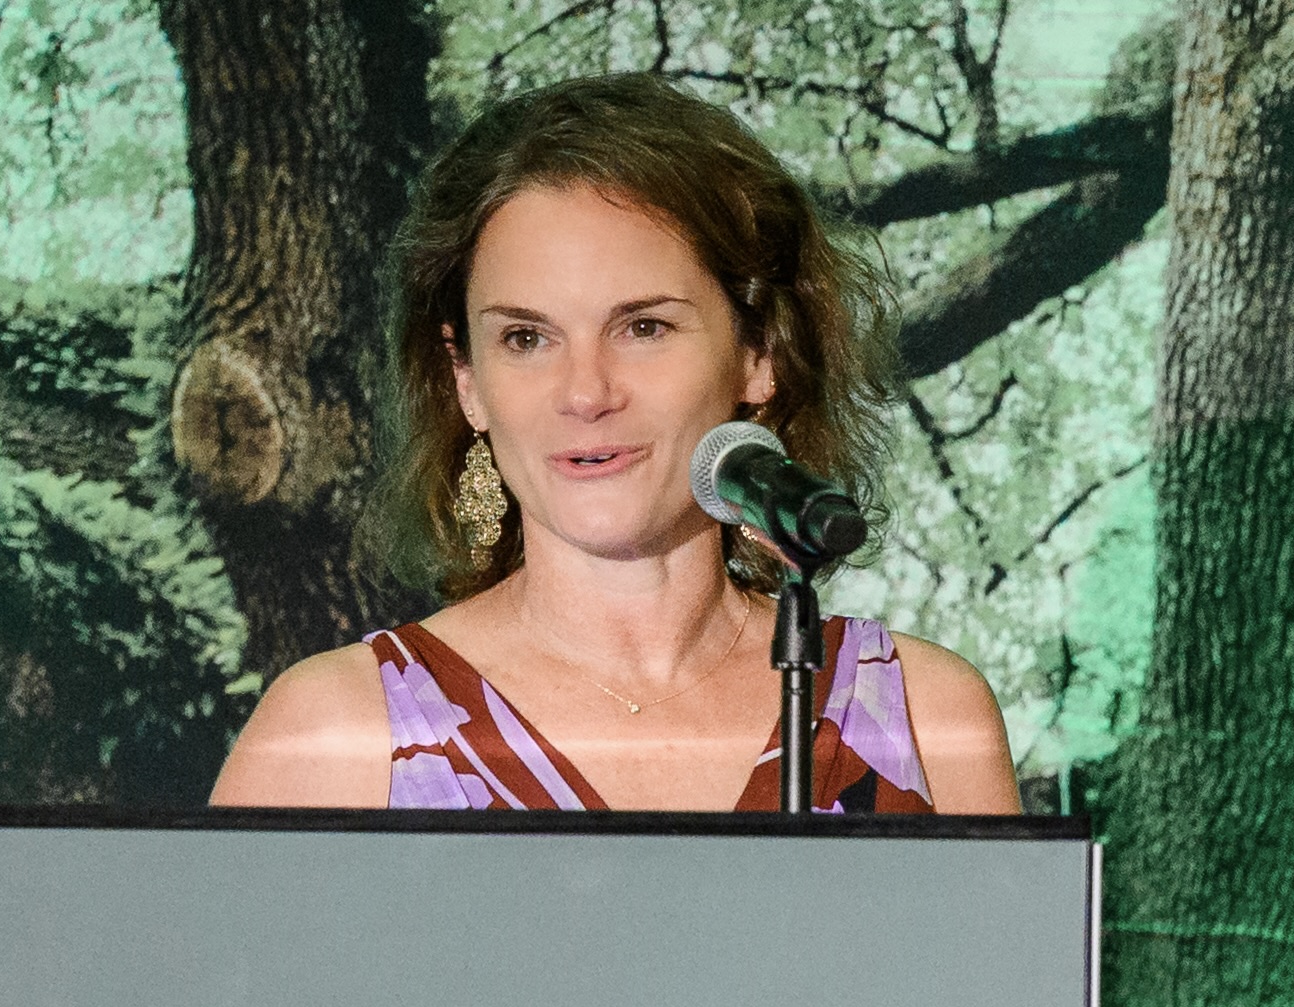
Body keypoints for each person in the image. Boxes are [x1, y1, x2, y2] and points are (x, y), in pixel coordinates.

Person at [211, 74, 1020, 814]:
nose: (586, 393)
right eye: (527, 338)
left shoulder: (927, 719)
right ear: (466, 379)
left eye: (642, 327)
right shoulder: (328, 738)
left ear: (759, 353)